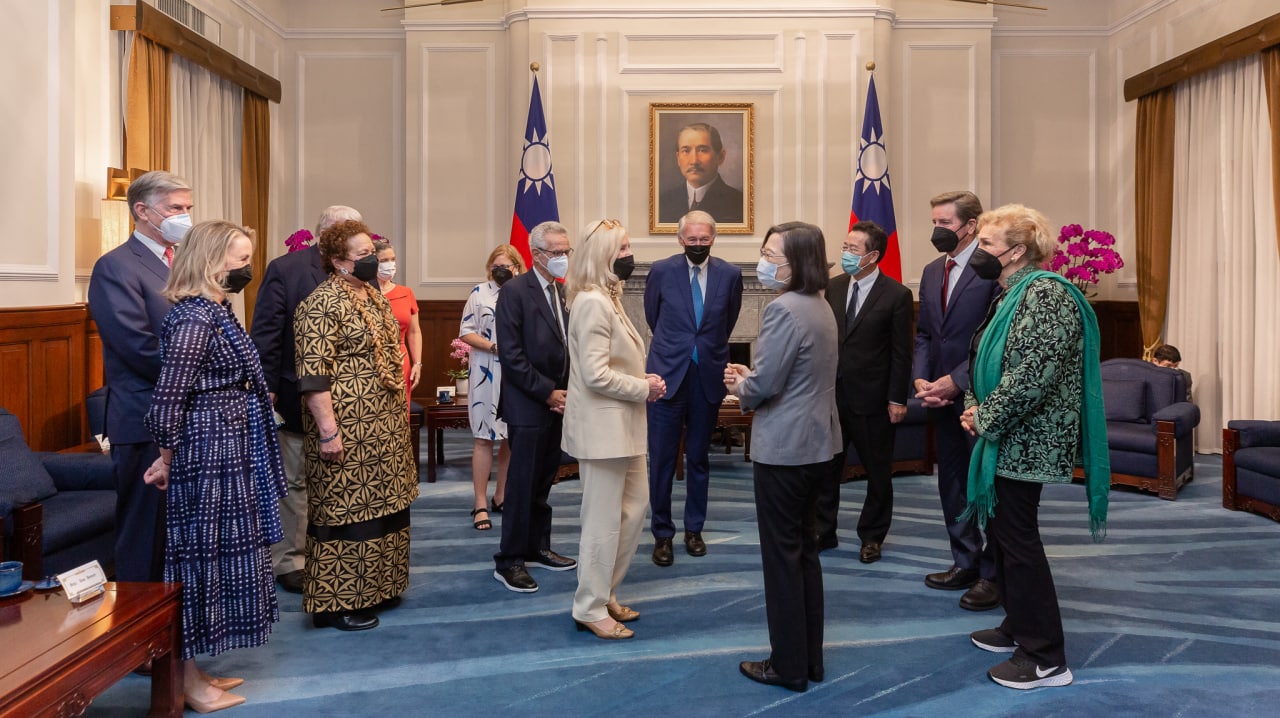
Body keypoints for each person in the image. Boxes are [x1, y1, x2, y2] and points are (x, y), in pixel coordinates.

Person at [960, 204, 1109, 690]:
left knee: (1018, 539)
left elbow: (1031, 376)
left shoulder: (1047, 294)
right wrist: (973, 405)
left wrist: (985, 417)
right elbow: (982, 357)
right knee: (1003, 536)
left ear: (1017, 251)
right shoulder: (1011, 292)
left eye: (986, 243)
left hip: (1027, 439)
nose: (978, 251)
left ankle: (1045, 656)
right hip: (1003, 432)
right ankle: (1017, 624)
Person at [142, 220, 287, 713]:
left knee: (221, 558)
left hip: (226, 447)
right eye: (240, 260)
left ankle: (194, 670)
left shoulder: (214, 310)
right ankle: (183, 681)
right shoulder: (195, 319)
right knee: (200, 561)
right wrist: (167, 459)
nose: (247, 268)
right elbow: (167, 401)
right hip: (208, 453)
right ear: (209, 262)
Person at [724, 222, 841, 693]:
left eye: (773, 256)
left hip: (785, 449)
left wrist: (741, 385)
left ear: (799, 263)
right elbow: (796, 375)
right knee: (805, 553)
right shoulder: (820, 305)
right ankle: (809, 660)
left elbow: (765, 387)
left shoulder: (783, 309)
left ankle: (787, 666)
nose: (764, 262)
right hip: (817, 445)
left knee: (781, 560)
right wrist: (754, 378)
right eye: (765, 252)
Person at [294, 219, 418, 631]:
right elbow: (313, 377)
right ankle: (338, 604)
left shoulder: (373, 295)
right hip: (347, 428)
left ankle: (379, 588)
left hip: (384, 426)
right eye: (363, 254)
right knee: (347, 512)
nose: (373, 260)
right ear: (337, 261)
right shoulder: (320, 303)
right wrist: (328, 432)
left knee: (388, 506)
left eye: (372, 252)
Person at [562, 219, 666, 640]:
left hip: (624, 429)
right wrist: (644, 387)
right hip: (602, 432)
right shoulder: (591, 302)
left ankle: (605, 591)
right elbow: (595, 375)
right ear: (603, 253)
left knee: (634, 510)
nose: (629, 254)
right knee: (602, 522)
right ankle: (589, 606)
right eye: (621, 248)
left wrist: (642, 382)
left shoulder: (609, 295)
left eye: (627, 246)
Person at [251, 205, 363, 595]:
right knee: (295, 478)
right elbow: (267, 333)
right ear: (326, 234)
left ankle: (329, 548)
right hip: (296, 392)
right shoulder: (287, 269)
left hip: (350, 399)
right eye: (347, 231)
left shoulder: (359, 272)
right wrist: (267, 389)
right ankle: (290, 560)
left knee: (337, 476)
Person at [88, 170, 193, 584]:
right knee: (145, 535)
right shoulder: (115, 266)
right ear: (143, 211)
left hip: (188, 415)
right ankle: (138, 618)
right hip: (144, 417)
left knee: (182, 533)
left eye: (188, 208)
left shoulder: (183, 262)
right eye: (175, 208)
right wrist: (201, 375)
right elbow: (136, 346)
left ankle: (178, 619)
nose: (185, 216)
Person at [912, 190, 1003, 611]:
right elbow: (926, 334)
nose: (937, 230)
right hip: (940, 398)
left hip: (981, 396)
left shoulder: (992, 272)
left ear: (970, 226)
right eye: (934, 221)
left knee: (987, 484)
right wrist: (923, 378)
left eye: (945, 223)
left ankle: (994, 573)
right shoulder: (932, 271)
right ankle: (964, 560)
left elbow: (994, 340)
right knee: (951, 482)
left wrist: (957, 380)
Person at [644, 210, 743, 566]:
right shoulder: (661, 271)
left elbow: (728, 320)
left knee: (700, 458)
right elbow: (652, 316)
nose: (698, 244)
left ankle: (694, 529)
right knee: (662, 460)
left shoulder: (730, 274)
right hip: (666, 378)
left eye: (704, 239)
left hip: (707, 377)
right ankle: (662, 533)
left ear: (713, 239)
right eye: (692, 239)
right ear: (680, 239)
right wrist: (678, 348)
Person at [818, 220, 913, 563]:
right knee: (826, 469)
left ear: (872, 256)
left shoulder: (897, 295)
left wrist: (897, 399)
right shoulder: (833, 287)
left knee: (877, 473)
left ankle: (872, 536)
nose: (845, 253)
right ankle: (823, 530)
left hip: (873, 399)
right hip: (833, 396)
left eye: (852, 249)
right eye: (845, 247)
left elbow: (901, 353)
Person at [492, 221, 579, 593]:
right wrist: (548, 392)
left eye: (566, 251)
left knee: (544, 480)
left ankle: (537, 547)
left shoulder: (563, 290)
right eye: (556, 252)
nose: (563, 258)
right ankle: (509, 560)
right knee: (522, 484)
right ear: (537, 254)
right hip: (529, 404)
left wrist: (566, 392)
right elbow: (512, 356)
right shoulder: (515, 292)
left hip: (559, 403)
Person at [458, 245, 524, 531]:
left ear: (517, 268)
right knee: (484, 437)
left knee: (509, 436)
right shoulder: (479, 293)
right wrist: (495, 347)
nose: (501, 270)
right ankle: (480, 503)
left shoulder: (523, 292)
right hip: (486, 369)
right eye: (496, 266)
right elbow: (466, 332)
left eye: (506, 266)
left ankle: (501, 496)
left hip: (516, 371)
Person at [658, 122, 745, 223]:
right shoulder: (662, 202)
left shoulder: (739, 203)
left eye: (703, 150)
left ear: (720, 157)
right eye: (686, 151)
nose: (694, 161)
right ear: (678, 158)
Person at [374, 239, 423, 402]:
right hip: (372, 360)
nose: (390, 264)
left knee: (401, 409)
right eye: (384, 260)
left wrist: (417, 363)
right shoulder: (364, 293)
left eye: (392, 259)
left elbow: (414, 332)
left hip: (401, 360)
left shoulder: (406, 292)